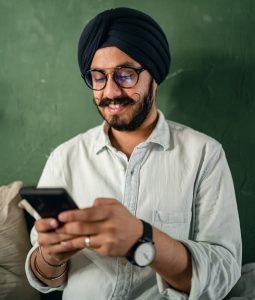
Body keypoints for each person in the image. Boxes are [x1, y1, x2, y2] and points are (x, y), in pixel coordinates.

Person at [25, 7, 242, 300]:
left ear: (154, 74)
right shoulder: (64, 158)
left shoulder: (205, 155)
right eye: (98, 77)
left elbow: (224, 272)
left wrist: (143, 239)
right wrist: (52, 255)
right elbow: (46, 280)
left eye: (125, 75)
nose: (110, 91)